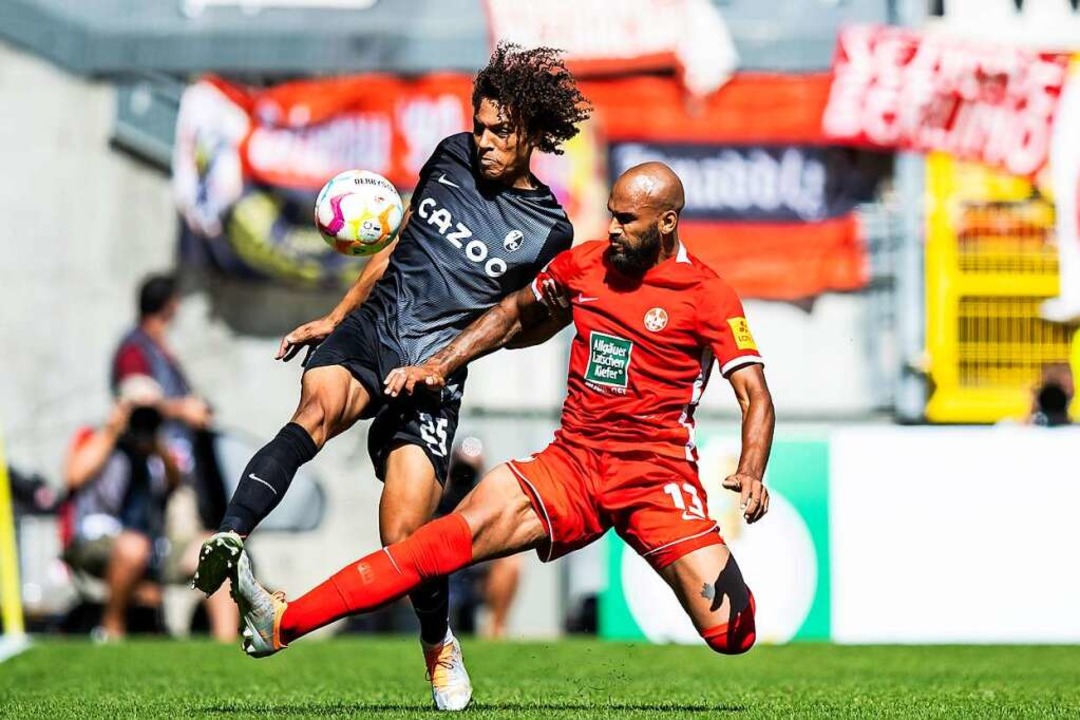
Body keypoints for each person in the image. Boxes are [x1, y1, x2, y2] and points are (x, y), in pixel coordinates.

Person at [230, 163, 775, 692]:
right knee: (431, 547)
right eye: (610, 214)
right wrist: (438, 363)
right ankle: (283, 623)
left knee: (733, 634)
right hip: (572, 466)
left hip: (655, 479)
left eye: (626, 220)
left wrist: (752, 469)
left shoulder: (708, 294)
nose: (611, 228)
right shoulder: (586, 264)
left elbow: (755, 394)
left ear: (666, 223)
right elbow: (512, 313)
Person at [194, 43, 590, 710]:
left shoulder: (550, 230)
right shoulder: (449, 158)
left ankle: (438, 645)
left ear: (531, 133)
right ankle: (232, 536)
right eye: (480, 124)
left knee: (405, 536)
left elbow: (525, 324)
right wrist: (335, 315)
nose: (485, 140)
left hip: (433, 374)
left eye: (501, 130)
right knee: (314, 413)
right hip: (374, 330)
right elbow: (397, 250)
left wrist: (442, 364)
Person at [63, 376, 181, 640]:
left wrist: (156, 439)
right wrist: (113, 429)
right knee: (133, 547)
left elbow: (176, 482)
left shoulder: (157, 448)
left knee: (212, 548)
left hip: (154, 542)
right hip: (99, 538)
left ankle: (225, 642)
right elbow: (74, 476)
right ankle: (111, 627)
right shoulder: (98, 438)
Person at [111, 273, 214, 473]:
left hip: (176, 462)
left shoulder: (156, 346)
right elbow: (137, 410)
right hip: (149, 467)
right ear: (169, 304)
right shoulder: (135, 350)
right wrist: (183, 410)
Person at [438, 437, 521, 639]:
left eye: (470, 470)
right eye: (461, 468)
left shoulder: (486, 495)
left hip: (473, 572)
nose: (464, 476)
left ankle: (496, 629)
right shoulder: (437, 494)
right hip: (440, 568)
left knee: (511, 563)